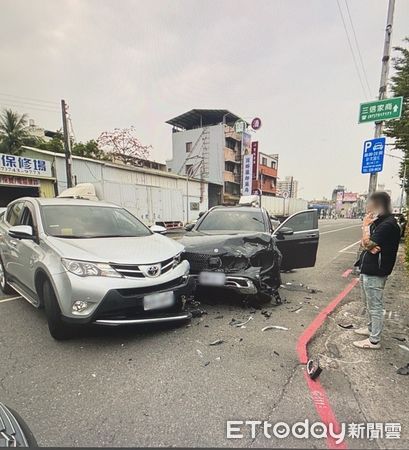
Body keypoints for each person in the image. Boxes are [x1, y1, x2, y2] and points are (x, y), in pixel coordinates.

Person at [353, 191, 401, 349]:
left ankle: (374, 340)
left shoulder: (388, 224)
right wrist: (368, 243)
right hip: (368, 268)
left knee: (375, 306)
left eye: (371, 205)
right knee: (368, 303)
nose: (368, 208)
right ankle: (370, 329)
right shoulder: (380, 222)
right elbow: (365, 244)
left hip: (376, 271)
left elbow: (368, 243)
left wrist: (365, 227)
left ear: (380, 206)